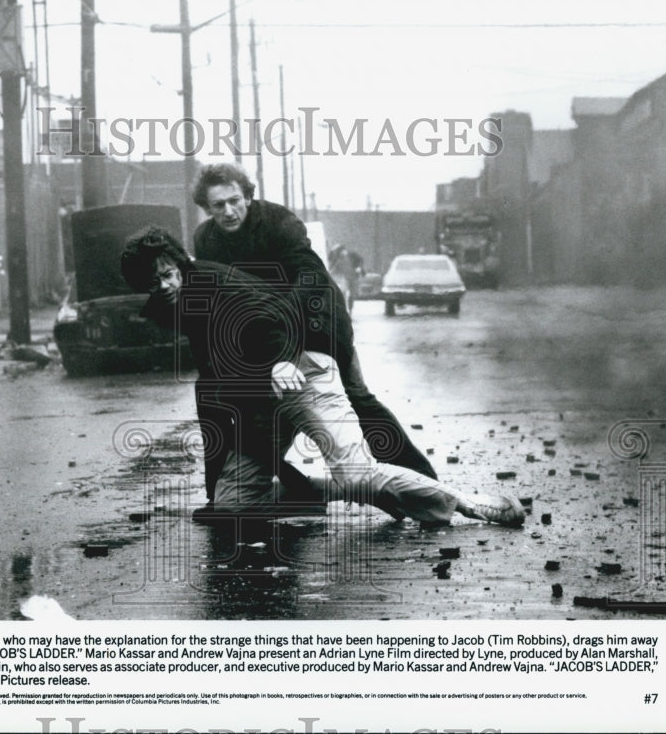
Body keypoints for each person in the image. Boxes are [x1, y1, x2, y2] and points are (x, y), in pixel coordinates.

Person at [120, 225, 525, 528]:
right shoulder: (171, 306)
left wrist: (278, 362)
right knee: (233, 505)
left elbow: (273, 317)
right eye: (154, 281)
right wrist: (214, 491)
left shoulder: (213, 283)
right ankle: (343, 491)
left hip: (301, 371)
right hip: (262, 395)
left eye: (169, 273)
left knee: (356, 472)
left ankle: (464, 502)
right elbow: (212, 390)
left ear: (181, 262)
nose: (165, 285)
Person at [191, 163, 439, 507]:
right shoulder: (206, 239)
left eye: (235, 200)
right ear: (207, 207)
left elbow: (311, 279)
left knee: (357, 399)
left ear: (248, 195)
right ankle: (261, 494)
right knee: (249, 409)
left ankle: (426, 483)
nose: (229, 211)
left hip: (317, 319)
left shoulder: (280, 223)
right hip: (266, 333)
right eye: (218, 205)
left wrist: (283, 344)